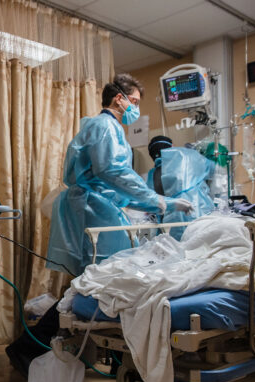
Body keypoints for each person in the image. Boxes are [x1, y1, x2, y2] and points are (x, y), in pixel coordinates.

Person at [46, 74, 193, 276]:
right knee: (104, 271)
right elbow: (114, 171)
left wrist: (166, 203)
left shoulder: (108, 128)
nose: (136, 109)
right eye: (134, 102)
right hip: (92, 209)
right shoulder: (104, 126)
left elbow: (116, 191)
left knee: (105, 271)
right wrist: (156, 199)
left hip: (97, 205)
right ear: (118, 98)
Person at [146, 136, 215, 239]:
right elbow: (214, 169)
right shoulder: (187, 156)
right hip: (200, 215)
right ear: (172, 146)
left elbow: (151, 203)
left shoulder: (153, 175)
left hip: (172, 225)